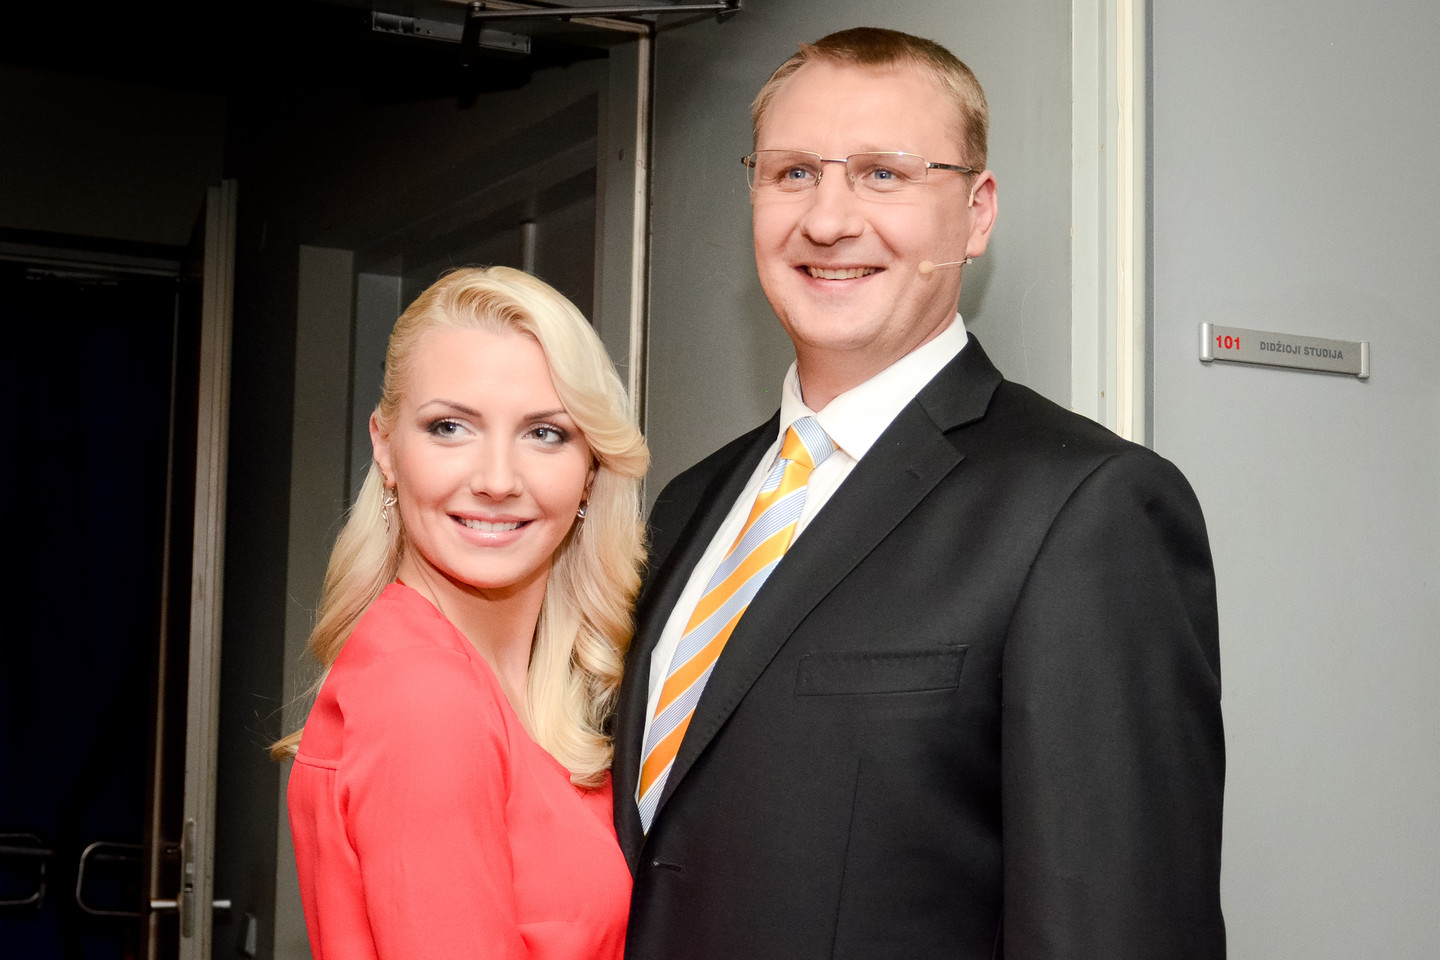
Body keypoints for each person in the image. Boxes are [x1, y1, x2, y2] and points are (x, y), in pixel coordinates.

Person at [613, 27, 1225, 959]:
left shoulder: (1085, 508)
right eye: (792, 173)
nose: (827, 220)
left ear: (976, 214)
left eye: (883, 174)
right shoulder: (690, 502)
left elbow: (1116, 923)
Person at [274, 266, 648, 959]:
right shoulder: (426, 693)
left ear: (592, 468)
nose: (497, 480)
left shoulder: (515, 690)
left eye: (545, 433)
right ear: (386, 447)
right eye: (450, 427)